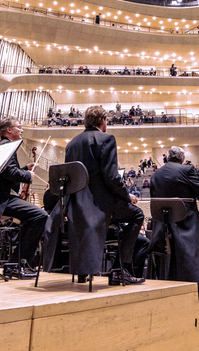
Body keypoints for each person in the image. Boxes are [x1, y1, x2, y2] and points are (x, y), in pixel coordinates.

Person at [44, 105, 144, 285]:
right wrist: (127, 196)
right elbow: (112, 177)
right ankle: (118, 270)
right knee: (138, 215)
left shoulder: (72, 143)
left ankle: (83, 273)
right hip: (100, 204)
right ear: (103, 121)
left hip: (76, 206)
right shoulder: (106, 139)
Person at [149, 146, 199, 294]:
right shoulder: (186, 170)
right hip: (187, 228)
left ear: (167, 158)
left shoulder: (155, 175)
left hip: (162, 229)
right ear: (182, 159)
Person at [0, 117, 47, 274]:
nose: (22, 130)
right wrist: (27, 175)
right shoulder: (7, 147)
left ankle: (16, 263)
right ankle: (17, 264)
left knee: (35, 216)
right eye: (19, 127)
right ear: (9, 130)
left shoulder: (2, 146)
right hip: (1, 199)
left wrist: (24, 168)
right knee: (40, 216)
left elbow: (7, 171)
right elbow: (8, 172)